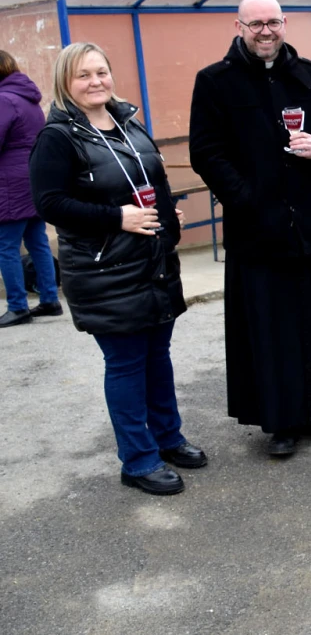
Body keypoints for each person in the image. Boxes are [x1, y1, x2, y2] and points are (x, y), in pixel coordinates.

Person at [30, 43, 204, 495]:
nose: (95, 82)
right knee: (126, 364)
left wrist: (168, 215)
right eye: (83, 75)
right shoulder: (58, 136)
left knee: (157, 357)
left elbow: (153, 179)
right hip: (105, 268)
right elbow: (48, 204)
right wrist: (117, 217)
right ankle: (138, 460)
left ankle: (167, 439)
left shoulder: (127, 121)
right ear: (65, 83)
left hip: (153, 261)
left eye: (101, 72)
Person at [189, 0, 311, 458]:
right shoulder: (215, 81)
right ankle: (279, 420)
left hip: (304, 221)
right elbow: (204, 151)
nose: (266, 31)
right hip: (254, 227)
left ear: (284, 24)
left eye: (274, 22)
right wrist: (244, 198)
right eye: (256, 23)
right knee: (268, 326)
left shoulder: (306, 74)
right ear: (238, 26)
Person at [0, 50, 61, 326]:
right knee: (37, 241)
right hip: (32, 177)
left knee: (6, 246)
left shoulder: (3, 100)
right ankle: (49, 299)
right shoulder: (28, 98)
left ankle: (17, 307)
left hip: (10, 183)